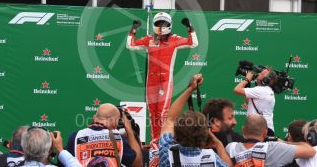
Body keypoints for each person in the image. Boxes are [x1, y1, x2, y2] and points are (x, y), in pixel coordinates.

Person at [127, 12, 198, 144]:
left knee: (163, 113)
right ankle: (155, 142)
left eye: (163, 23)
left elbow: (193, 43)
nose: (161, 26)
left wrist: (190, 28)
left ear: (169, 25)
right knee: (152, 113)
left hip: (165, 81)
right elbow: (130, 45)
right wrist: (133, 29)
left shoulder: (174, 39)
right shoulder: (149, 39)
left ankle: (163, 142)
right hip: (151, 82)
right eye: (158, 23)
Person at [159, 74, 233, 167]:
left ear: (176, 136)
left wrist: (190, 89)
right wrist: (219, 145)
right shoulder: (212, 159)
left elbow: (170, 120)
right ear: (205, 136)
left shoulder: (167, 153)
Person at [66, 103, 142, 167]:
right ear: (114, 122)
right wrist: (129, 129)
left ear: (94, 117)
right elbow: (137, 164)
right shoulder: (118, 139)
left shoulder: (75, 137)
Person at [226, 114, 316, 166]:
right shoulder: (274, 148)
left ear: (243, 129)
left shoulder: (230, 148)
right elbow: (310, 151)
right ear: (265, 133)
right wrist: (283, 142)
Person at [234, 68, 276, 136]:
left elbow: (236, 89)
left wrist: (247, 79)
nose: (258, 74)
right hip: (265, 129)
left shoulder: (260, 90)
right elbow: (248, 101)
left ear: (266, 80)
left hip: (259, 130)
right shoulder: (267, 90)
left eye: (261, 74)